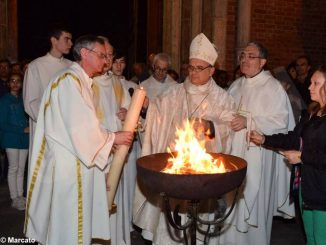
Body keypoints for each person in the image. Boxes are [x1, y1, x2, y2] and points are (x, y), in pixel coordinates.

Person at [24, 35, 134, 244]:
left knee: (74, 227)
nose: (105, 61)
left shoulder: (80, 81)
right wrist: (113, 138)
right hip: (68, 169)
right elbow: (80, 128)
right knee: (68, 227)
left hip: (76, 165)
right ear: (85, 54)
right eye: (101, 55)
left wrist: (109, 138)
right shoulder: (69, 81)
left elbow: (87, 123)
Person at [133, 33, 235, 245]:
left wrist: (211, 126)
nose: (193, 72)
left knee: (200, 223)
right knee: (172, 223)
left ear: (212, 71)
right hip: (176, 171)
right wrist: (146, 110)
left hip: (204, 174)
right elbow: (157, 116)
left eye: (199, 68)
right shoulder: (174, 93)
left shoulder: (223, 98)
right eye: (191, 67)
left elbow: (232, 129)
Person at [217, 42, 295, 245]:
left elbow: (281, 122)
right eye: (242, 55)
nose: (244, 59)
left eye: (250, 56)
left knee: (255, 208)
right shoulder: (236, 86)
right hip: (235, 155)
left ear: (263, 62)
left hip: (259, 155)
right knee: (232, 206)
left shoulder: (273, 87)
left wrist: (249, 121)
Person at [250, 66, 326, 245]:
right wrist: (264, 139)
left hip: (323, 191)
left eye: (316, 83)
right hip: (307, 188)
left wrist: (302, 157)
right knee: (311, 238)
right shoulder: (311, 113)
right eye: (310, 83)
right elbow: (293, 138)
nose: (309, 87)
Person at [92, 38, 134, 245]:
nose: (108, 60)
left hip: (118, 152)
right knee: (99, 202)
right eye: (104, 55)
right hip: (97, 153)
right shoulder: (87, 83)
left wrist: (128, 113)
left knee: (115, 200)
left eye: (111, 55)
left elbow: (131, 114)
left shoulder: (117, 83)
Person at [23, 26, 73, 170]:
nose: (71, 43)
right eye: (66, 39)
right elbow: (30, 102)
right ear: (54, 40)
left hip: (69, 129)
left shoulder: (72, 66)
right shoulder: (35, 66)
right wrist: (53, 121)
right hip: (45, 128)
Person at [0, 72, 29, 211]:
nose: (15, 83)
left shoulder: (23, 99)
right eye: (12, 80)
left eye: (18, 81)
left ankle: (20, 196)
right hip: (11, 138)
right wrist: (21, 130)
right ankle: (14, 197)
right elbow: (2, 123)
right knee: (13, 168)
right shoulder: (4, 100)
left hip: (24, 140)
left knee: (21, 169)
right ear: (8, 83)